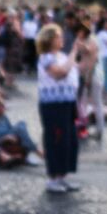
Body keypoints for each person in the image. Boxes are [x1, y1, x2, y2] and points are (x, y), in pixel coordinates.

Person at [36, 22, 81, 193]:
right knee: (56, 138)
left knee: (69, 140)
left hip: (68, 102)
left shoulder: (62, 56)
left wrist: (90, 53)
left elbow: (79, 70)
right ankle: (53, 177)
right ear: (50, 39)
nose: (62, 39)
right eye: (59, 36)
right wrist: (74, 53)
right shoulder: (46, 57)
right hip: (52, 104)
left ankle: (62, 176)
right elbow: (59, 73)